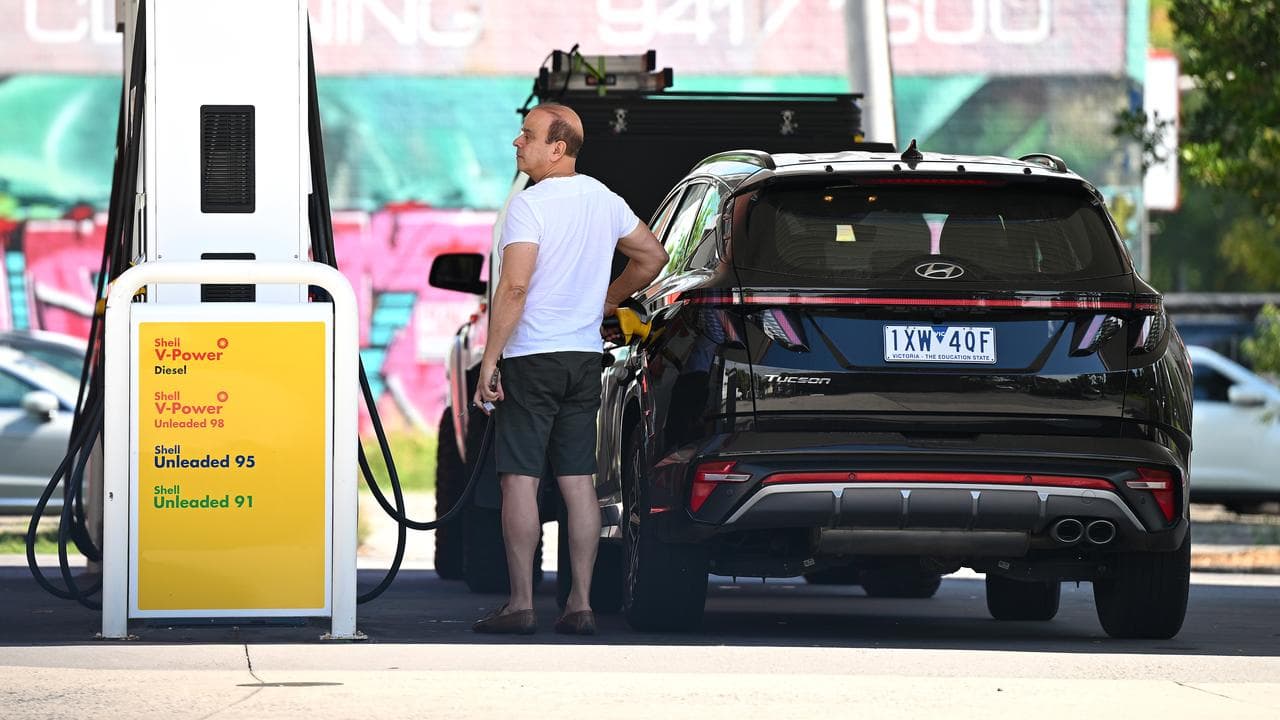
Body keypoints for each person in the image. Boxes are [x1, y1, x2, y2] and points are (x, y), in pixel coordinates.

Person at [471, 102, 667, 635]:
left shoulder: (528, 206)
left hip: (531, 358)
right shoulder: (604, 199)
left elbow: (514, 287)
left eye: (528, 135)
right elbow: (653, 257)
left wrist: (490, 358)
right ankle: (579, 604)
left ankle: (520, 604)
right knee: (579, 482)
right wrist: (609, 300)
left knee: (520, 481)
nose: (517, 143)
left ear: (558, 148)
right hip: (583, 359)